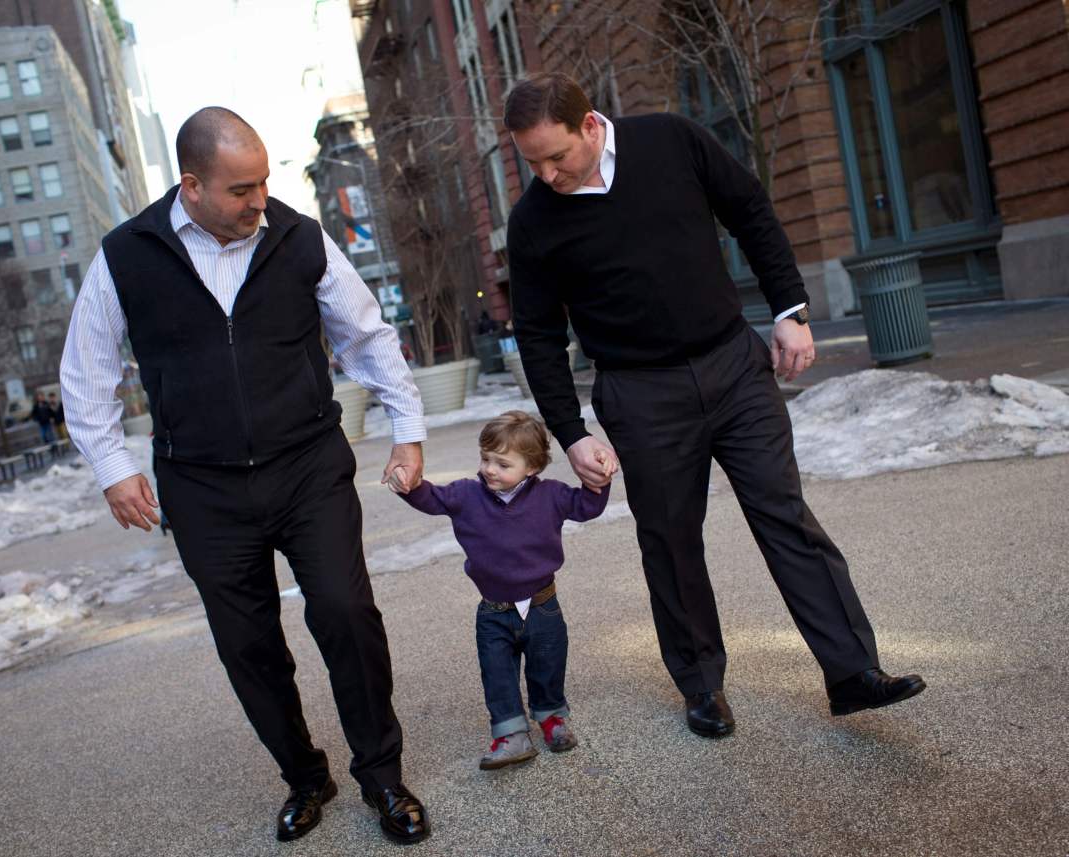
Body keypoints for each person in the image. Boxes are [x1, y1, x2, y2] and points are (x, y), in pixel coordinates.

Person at [504, 73, 925, 739]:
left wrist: (790, 309)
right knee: (671, 543)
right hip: (641, 394)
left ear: (589, 125)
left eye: (556, 156)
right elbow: (536, 334)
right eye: (532, 162)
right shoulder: (532, 222)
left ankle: (853, 672)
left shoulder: (670, 140)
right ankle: (702, 685)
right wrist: (570, 431)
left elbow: (750, 209)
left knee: (785, 513)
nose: (547, 174)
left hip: (732, 363)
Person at [60, 107, 430, 845]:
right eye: (240, 188)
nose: (259, 199)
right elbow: (86, 371)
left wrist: (409, 428)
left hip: (306, 467)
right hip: (202, 489)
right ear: (191, 186)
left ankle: (383, 776)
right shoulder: (126, 254)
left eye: (264, 181)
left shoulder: (297, 236)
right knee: (248, 644)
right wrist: (114, 468)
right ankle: (305, 775)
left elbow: (365, 334)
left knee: (344, 612)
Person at [392, 411, 612, 769]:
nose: (490, 469)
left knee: (548, 665)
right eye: (485, 459)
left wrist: (598, 480)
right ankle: (511, 735)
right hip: (493, 611)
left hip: (543, 606)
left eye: (502, 463)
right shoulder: (466, 494)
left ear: (532, 467)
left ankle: (551, 717)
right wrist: (409, 484)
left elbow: (587, 507)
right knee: (497, 673)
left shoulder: (551, 496)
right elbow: (432, 498)